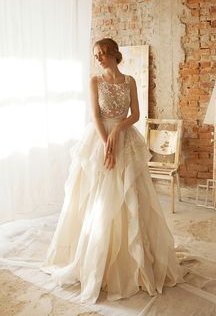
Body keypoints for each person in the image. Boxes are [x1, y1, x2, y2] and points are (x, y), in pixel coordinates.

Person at [41, 38, 184, 304]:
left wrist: (118, 129)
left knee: (130, 195)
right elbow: (95, 114)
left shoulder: (129, 81)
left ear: (113, 54)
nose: (97, 58)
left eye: (101, 53)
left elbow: (136, 114)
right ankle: (96, 257)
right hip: (99, 137)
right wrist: (106, 140)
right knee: (98, 195)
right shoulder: (95, 81)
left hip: (124, 136)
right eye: (95, 54)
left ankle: (132, 258)